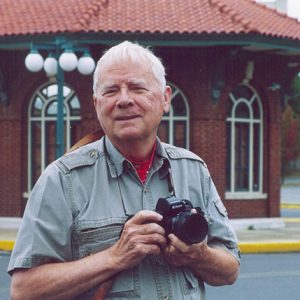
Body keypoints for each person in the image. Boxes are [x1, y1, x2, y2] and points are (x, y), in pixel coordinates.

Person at [8, 41, 240, 300]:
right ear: (97, 105)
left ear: (165, 98)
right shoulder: (63, 179)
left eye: (137, 87)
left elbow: (229, 269)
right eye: (111, 91)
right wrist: (115, 256)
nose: (124, 100)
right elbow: (24, 290)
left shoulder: (193, 170)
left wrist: (199, 255)